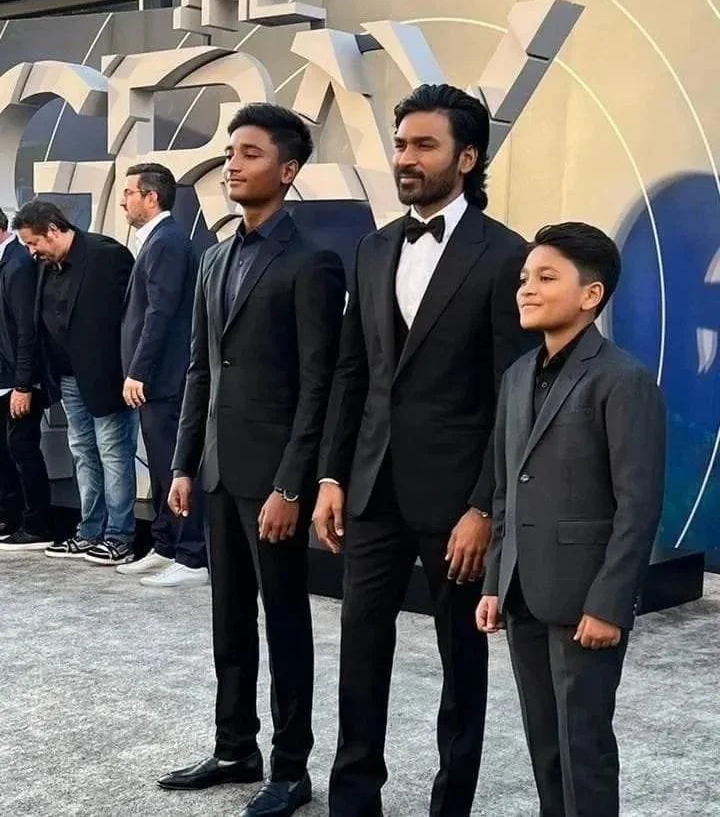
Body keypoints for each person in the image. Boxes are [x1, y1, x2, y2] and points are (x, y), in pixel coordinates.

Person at [313, 83, 534, 817]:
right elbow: (353, 372)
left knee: (460, 660)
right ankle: (354, 801)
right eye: (401, 144)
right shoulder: (374, 246)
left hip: (456, 499)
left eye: (424, 145)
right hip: (372, 486)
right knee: (359, 649)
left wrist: (484, 506)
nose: (405, 158)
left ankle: (451, 804)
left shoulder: (505, 256)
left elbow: (513, 393)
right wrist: (331, 476)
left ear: (467, 157)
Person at [158, 104, 345, 817]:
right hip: (215, 472)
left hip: (273, 483)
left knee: (285, 622)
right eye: (231, 152)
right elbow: (200, 369)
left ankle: (291, 768)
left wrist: (292, 484)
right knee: (228, 620)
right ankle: (235, 746)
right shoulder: (213, 258)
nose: (233, 164)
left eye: (251, 153)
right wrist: (183, 463)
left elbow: (318, 385)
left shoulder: (312, 263)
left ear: (288, 170)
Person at [476, 222, 667, 817]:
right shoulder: (515, 377)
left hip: (585, 598)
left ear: (591, 294)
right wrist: (494, 581)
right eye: (524, 278)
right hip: (522, 593)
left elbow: (638, 504)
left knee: (583, 747)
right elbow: (506, 491)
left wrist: (610, 603)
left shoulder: (623, 379)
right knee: (545, 746)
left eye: (546, 277)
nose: (527, 289)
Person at [13, 201, 138, 566]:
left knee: (113, 453)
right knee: (83, 452)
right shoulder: (45, 266)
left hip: (107, 377)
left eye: (34, 242)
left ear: (53, 230)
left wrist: (130, 371)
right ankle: (89, 531)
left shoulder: (106, 255)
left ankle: (119, 537)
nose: (31, 252)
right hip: (67, 378)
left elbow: (134, 316)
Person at [118, 162, 207, 588]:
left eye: (129, 193)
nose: (123, 201)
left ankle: (191, 555)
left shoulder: (168, 242)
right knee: (158, 465)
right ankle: (166, 545)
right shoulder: (157, 240)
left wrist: (139, 370)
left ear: (151, 197)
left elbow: (161, 312)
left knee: (175, 467)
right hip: (156, 381)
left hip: (165, 379)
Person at [0, 207, 52, 551]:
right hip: (6, 376)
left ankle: (36, 524)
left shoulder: (18, 265)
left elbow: (26, 330)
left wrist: (23, 383)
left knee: (22, 448)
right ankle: (11, 516)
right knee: (7, 450)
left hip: (18, 379)